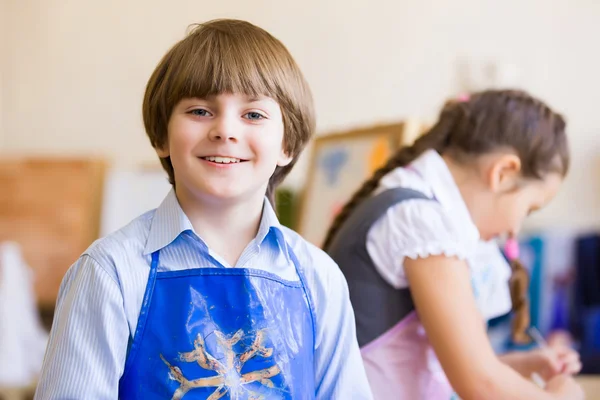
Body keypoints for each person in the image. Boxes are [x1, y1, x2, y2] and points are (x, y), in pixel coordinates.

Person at [35, 19, 372, 400]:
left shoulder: (318, 278)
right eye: (199, 111)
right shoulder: (110, 273)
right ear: (162, 135)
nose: (225, 130)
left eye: (254, 115)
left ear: (287, 144)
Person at [323, 89, 583, 399]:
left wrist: (521, 365)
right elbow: (479, 383)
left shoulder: (411, 206)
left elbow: (443, 366)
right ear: (503, 173)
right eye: (529, 209)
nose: (514, 230)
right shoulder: (422, 222)